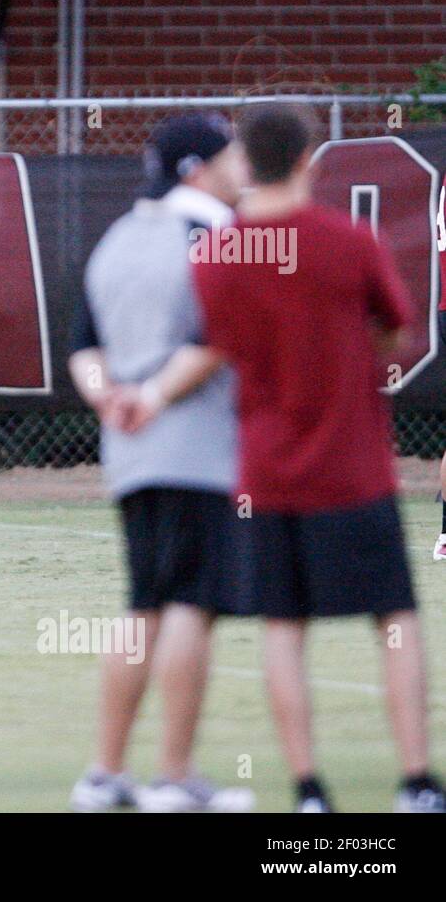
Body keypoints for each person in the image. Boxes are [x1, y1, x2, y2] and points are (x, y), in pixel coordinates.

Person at [170, 102, 442, 812]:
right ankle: (415, 781)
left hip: (266, 472)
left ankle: (309, 789)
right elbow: (394, 331)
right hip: (354, 467)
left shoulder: (217, 255)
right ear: (304, 160)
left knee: (284, 628)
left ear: (247, 165)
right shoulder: (350, 241)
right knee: (394, 616)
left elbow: (219, 347)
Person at [66, 114, 255, 812]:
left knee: (144, 602)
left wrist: (111, 400)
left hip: (131, 451)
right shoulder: (218, 237)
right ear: (196, 168)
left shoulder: (117, 237)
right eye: (230, 155)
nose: (241, 166)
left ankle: (105, 774)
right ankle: (175, 777)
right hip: (195, 447)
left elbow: (84, 345)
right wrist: (150, 396)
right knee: (189, 606)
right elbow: (219, 339)